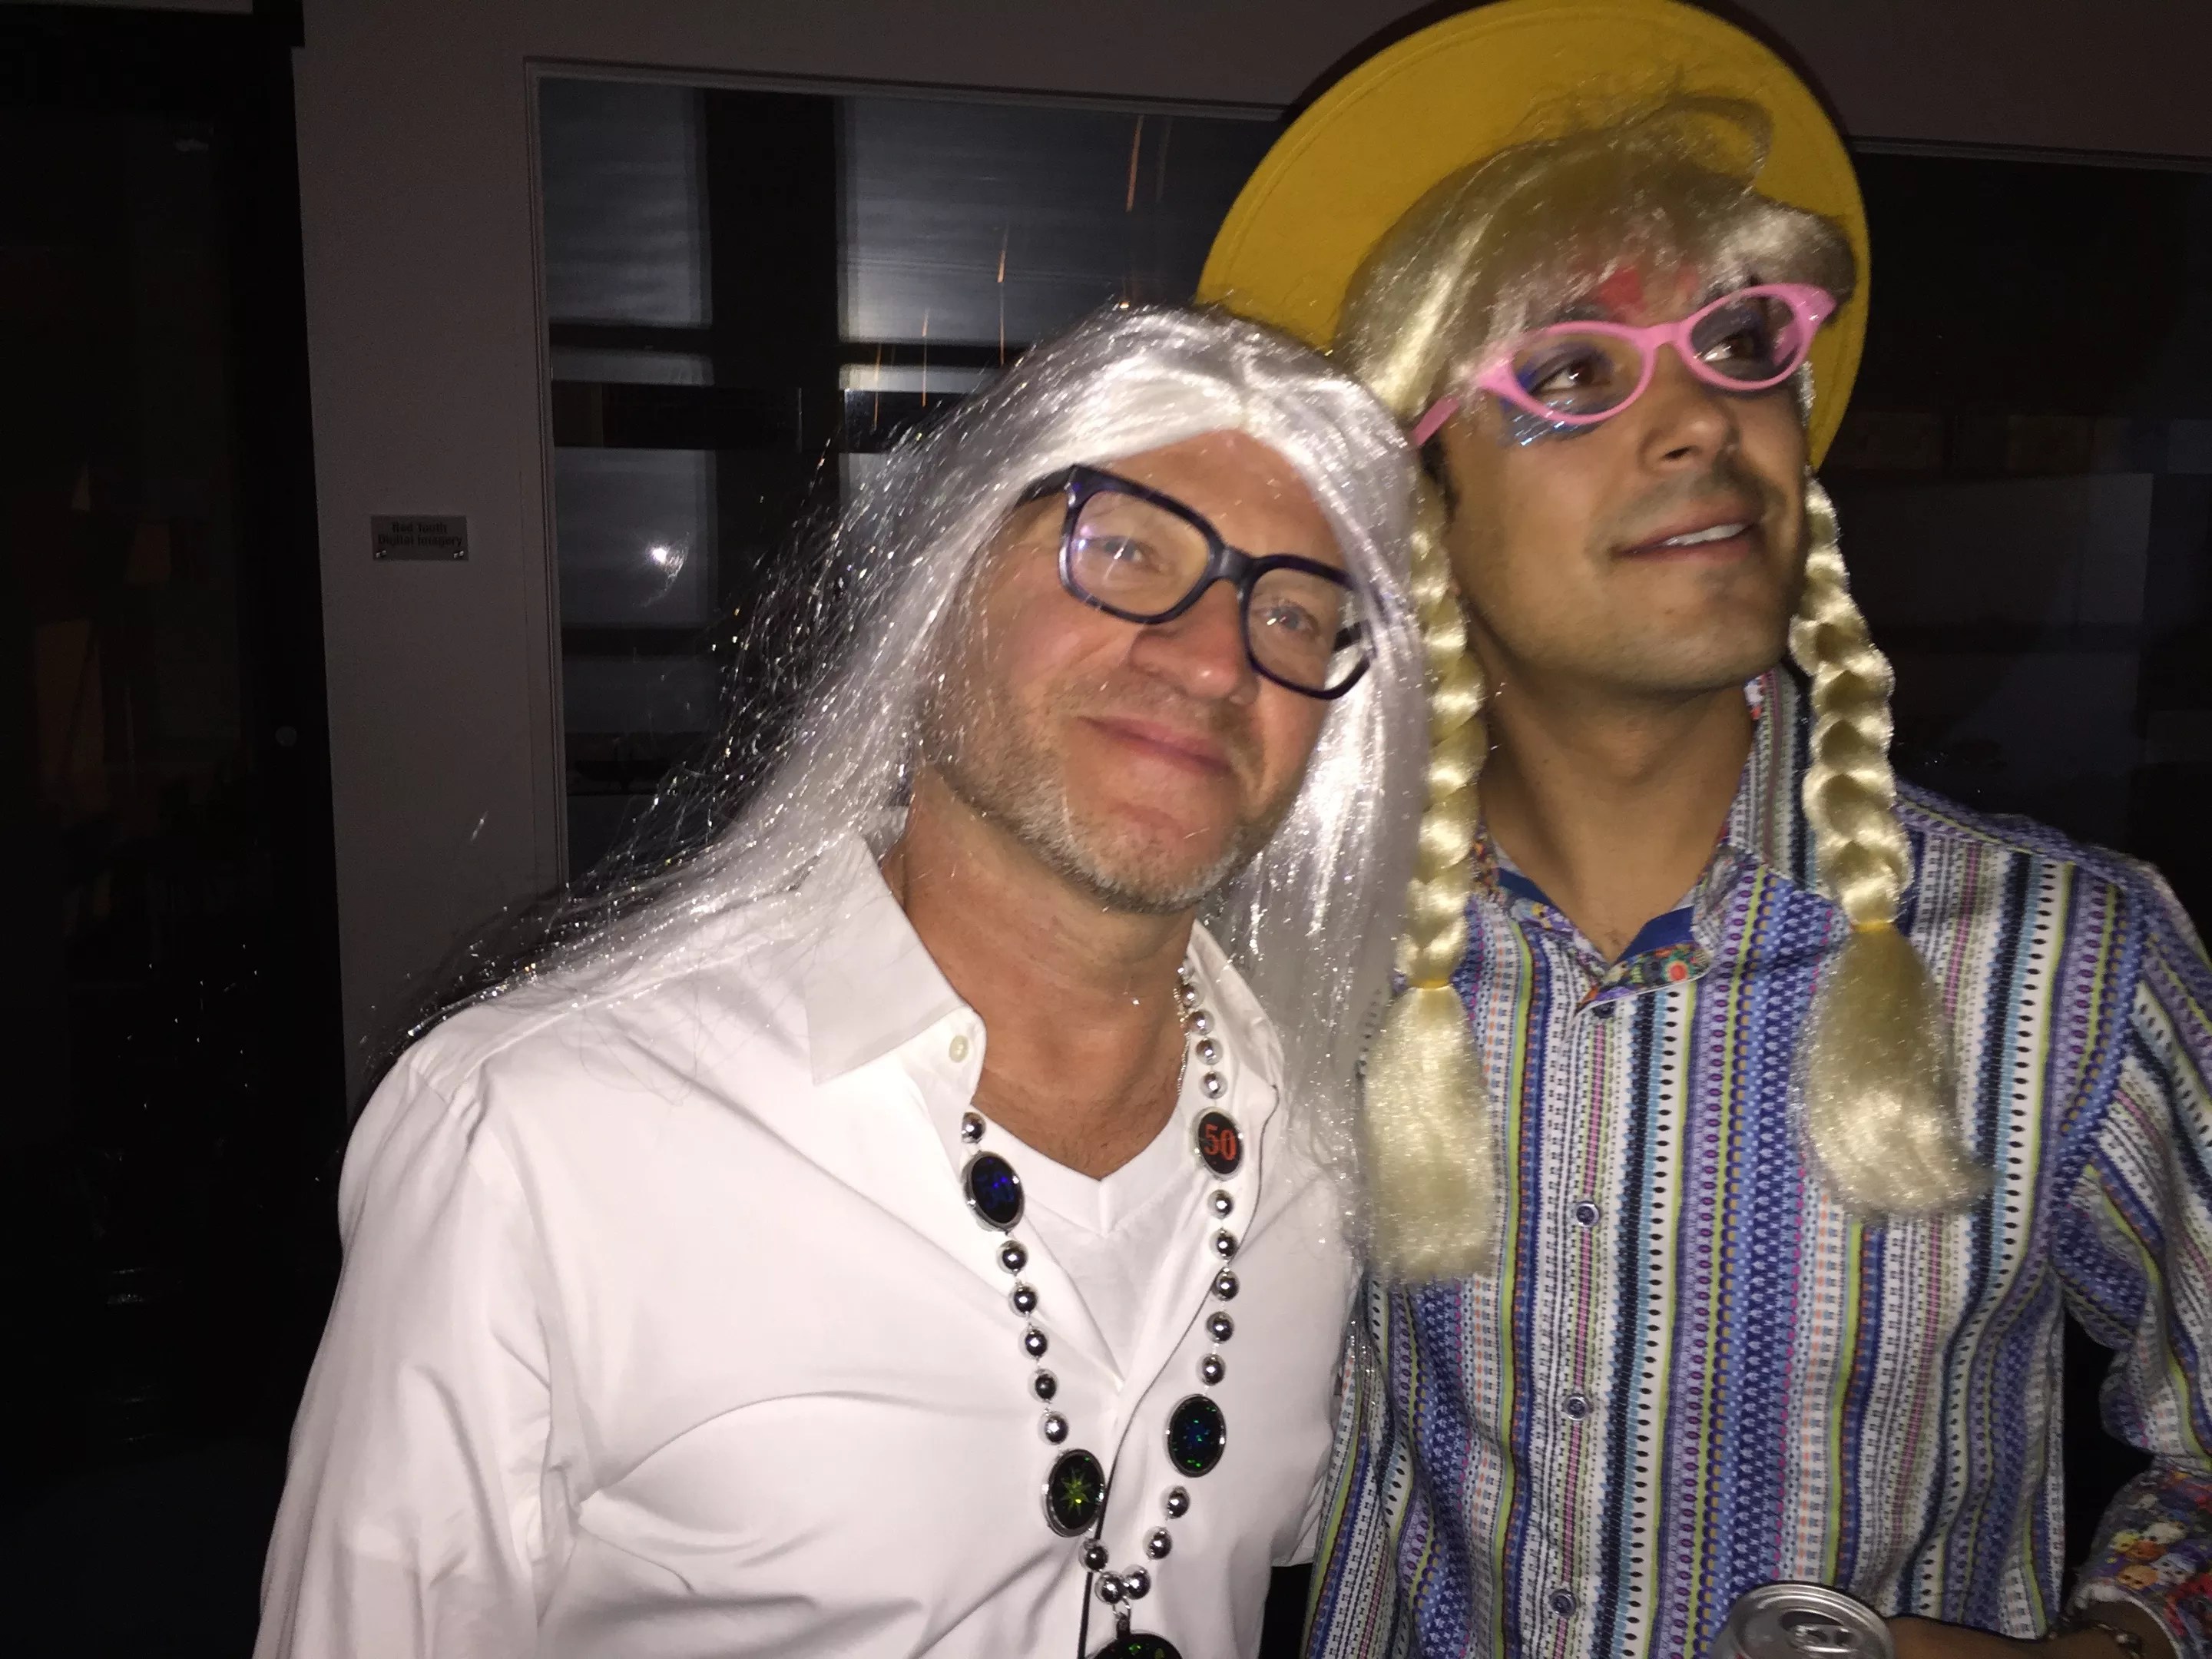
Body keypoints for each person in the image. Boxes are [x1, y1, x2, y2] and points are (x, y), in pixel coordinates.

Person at [1197, 2, 2212, 1656]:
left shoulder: (2067, 964)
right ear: (1414, 509)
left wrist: (2122, 1644)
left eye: (1743, 344)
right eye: (1573, 372)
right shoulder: (1294, 950)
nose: (1703, 425)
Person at [253, 305, 1429, 1659]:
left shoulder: (1326, 1155)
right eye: (1121, 550)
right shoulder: (533, 1133)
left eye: (1292, 611)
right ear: (934, 594)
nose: (1216, 658)